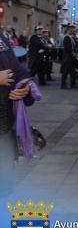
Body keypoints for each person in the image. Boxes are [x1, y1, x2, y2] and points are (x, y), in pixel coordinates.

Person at [0, 30, 35, 198]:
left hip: (4, 124)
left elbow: (17, 69)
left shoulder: (1, 38)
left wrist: (25, 86)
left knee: (5, 182)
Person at [61, 24, 78, 89]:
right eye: (72, 28)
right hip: (67, 56)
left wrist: (76, 51)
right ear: (69, 29)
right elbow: (67, 48)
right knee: (65, 71)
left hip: (72, 57)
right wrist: (72, 53)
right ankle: (63, 85)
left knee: (72, 71)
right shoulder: (67, 37)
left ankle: (73, 84)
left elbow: (75, 46)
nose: (74, 30)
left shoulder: (72, 37)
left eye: (74, 28)